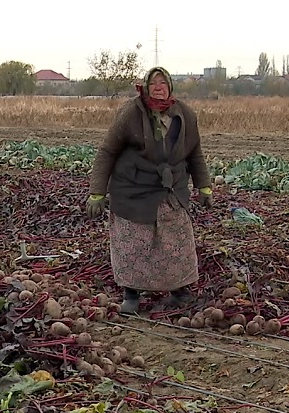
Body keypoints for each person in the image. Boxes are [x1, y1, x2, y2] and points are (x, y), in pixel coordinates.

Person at [86, 67, 213, 314]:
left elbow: (194, 153)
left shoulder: (185, 114)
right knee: (134, 244)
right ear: (145, 86)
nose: (158, 87)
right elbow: (107, 152)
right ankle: (131, 295)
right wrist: (97, 192)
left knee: (177, 241)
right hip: (133, 189)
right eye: (153, 83)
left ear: (170, 88)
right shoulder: (130, 113)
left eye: (163, 82)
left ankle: (180, 292)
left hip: (170, 189)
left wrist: (204, 186)